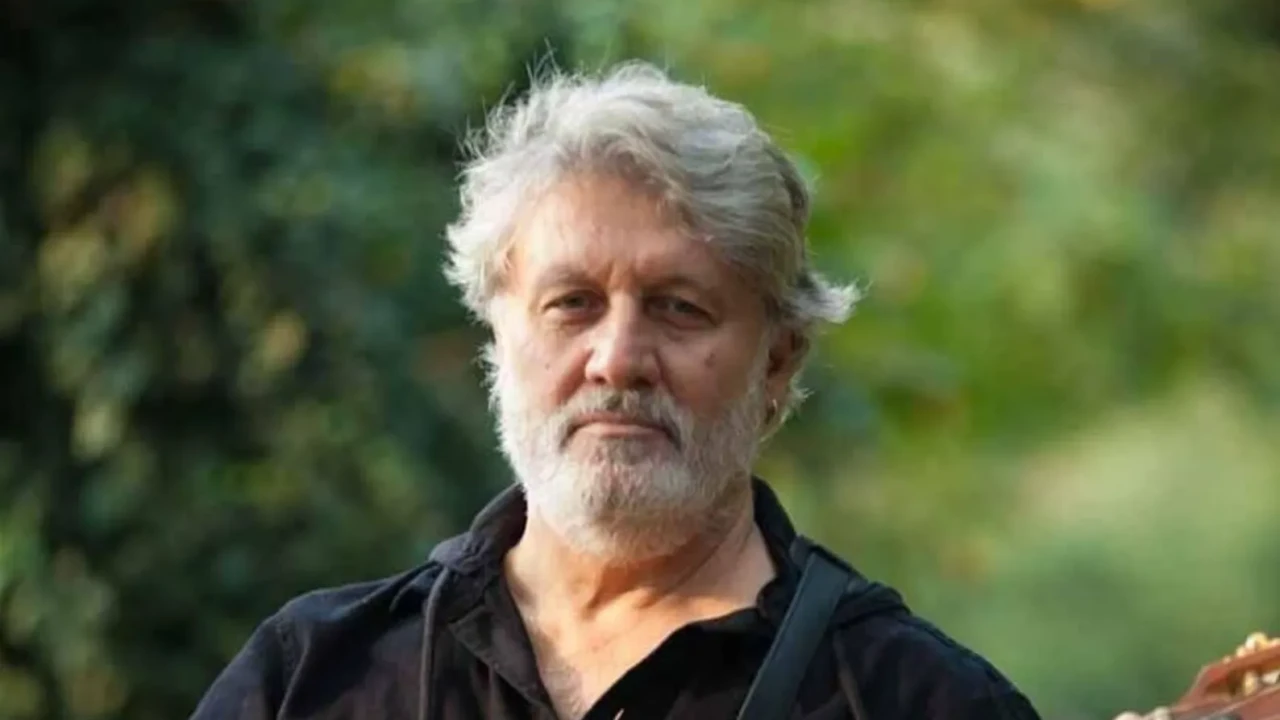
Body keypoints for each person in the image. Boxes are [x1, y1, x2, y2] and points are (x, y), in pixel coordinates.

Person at [190, 61, 1042, 720]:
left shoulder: (916, 700)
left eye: (680, 308)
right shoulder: (312, 678)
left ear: (778, 361)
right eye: (572, 303)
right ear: (499, 336)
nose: (618, 359)